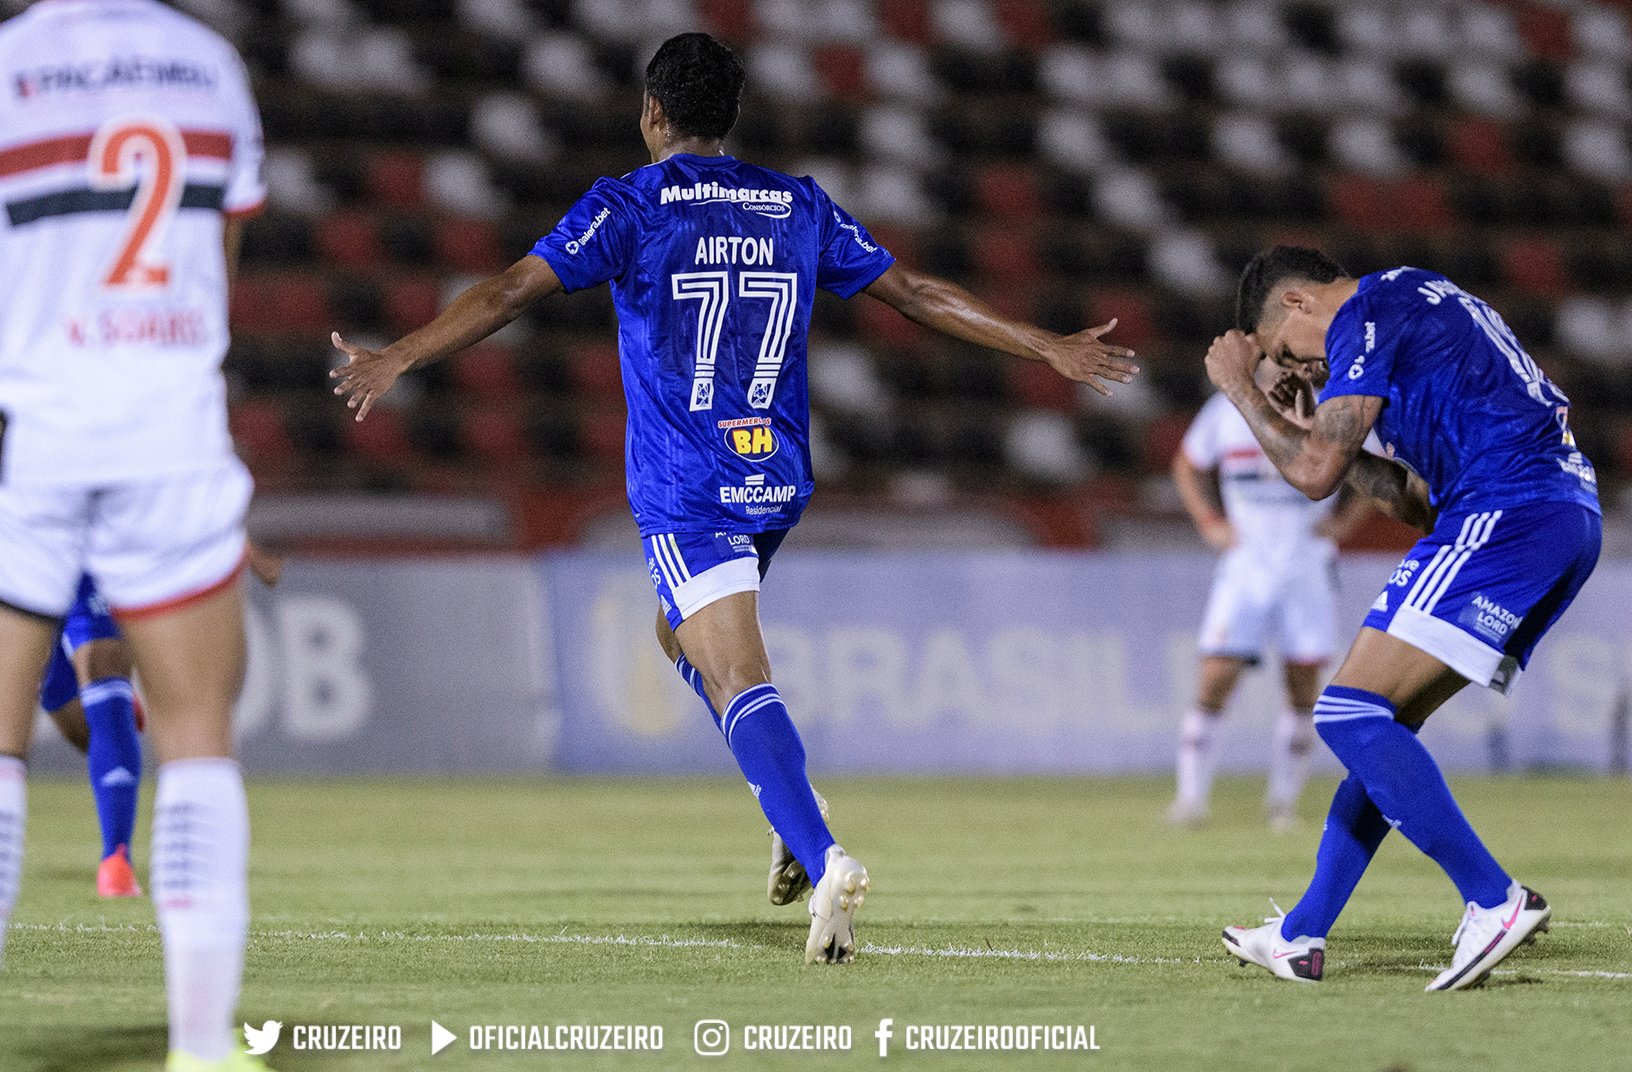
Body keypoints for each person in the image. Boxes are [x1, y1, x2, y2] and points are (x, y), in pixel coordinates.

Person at [330, 32, 1137, 963]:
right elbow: (915, 291)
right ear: (732, 116)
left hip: (689, 486)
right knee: (676, 635)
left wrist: (401, 355)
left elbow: (511, 291)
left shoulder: (630, 204)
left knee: (737, 675)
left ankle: (823, 853)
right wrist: (1044, 344)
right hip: (776, 475)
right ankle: (791, 806)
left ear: (653, 113)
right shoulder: (796, 204)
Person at [0, 0, 286, 1072]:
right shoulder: (211, 67)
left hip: (28, 434)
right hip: (166, 430)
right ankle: (206, 1052)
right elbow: (215, 265)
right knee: (198, 735)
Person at [1207, 247, 1600, 991]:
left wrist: (1240, 389)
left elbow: (1312, 475)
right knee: (1379, 724)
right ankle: (1300, 934)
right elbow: (1415, 503)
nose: (1299, 367)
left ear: (1296, 303)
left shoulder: (1365, 312)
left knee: (1347, 712)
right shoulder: (1408, 307)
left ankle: (1494, 899)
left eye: (1284, 352)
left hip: (1509, 512)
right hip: (1551, 515)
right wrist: (1316, 424)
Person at [0, 384, 287, 900]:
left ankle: (117, 859)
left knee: (103, 668)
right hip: (18, 564)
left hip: (94, 555)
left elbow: (170, 479)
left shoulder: (98, 383)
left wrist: (241, 547)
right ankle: (112, 721)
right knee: (76, 722)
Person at [1168, 359, 1372, 831]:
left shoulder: (1327, 409)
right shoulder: (1225, 411)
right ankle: (1190, 800)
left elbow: (1371, 467)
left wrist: (1344, 523)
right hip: (1246, 567)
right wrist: (1209, 521)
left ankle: (1283, 804)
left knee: (1302, 688)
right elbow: (1186, 464)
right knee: (1215, 678)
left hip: (1306, 565)